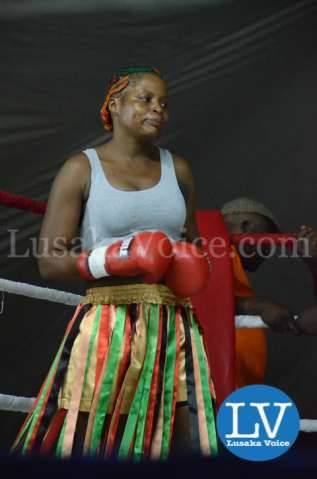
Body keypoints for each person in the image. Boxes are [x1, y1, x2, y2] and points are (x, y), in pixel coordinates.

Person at [12, 66, 217, 459]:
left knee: (192, 440)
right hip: (109, 321)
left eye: (164, 103)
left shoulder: (180, 169)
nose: (157, 109)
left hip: (175, 326)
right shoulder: (81, 168)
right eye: (146, 99)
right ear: (115, 104)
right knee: (91, 439)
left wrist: (193, 263)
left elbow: (195, 246)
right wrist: (115, 259)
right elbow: (49, 262)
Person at [221, 197, 296, 388]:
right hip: (206, 392)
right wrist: (256, 306)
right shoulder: (205, 246)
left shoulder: (229, 262)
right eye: (266, 242)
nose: (268, 253)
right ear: (245, 227)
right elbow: (198, 302)